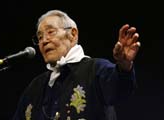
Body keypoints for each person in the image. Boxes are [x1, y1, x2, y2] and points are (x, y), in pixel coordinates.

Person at [12, 9, 140, 120]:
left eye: (50, 32)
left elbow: (121, 90)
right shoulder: (34, 88)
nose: (44, 41)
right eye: (39, 37)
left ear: (73, 35)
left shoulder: (95, 69)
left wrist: (124, 64)